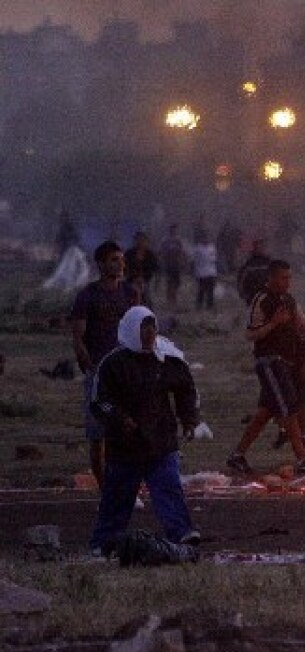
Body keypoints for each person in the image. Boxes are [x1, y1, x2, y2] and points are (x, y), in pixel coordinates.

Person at [88, 306, 201, 554]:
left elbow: (185, 388)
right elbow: (99, 400)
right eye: (144, 329)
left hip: (161, 440)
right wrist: (119, 418)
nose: (150, 334)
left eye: (153, 328)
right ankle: (104, 543)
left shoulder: (165, 358)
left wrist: (189, 418)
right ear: (131, 330)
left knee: (168, 488)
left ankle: (181, 534)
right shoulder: (114, 363)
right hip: (126, 445)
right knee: (117, 497)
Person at [226, 260, 305, 477]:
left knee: (265, 412)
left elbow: (302, 323)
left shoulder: (288, 300)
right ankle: (303, 457)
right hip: (270, 361)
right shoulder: (262, 299)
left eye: (289, 278)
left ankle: (237, 456)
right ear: (271, 278)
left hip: (286, 363)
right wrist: (274, 323)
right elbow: (251, 334)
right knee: (289, 407)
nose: (287, 282)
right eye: (283, 278)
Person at [70, 241, 141, 489]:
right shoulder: (87, 295)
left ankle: (122, 486)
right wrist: (89, 364)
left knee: (124, 431)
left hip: (125, 373)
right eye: (114, 260)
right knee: (98, 435)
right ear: (101, 264)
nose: (120, 264)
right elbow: (78, 336)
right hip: (99, 373)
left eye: (122, 259)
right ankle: (105, 490)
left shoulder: (130, 293)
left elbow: (139, 329)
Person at [124, 231, 159, 306]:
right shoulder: (129, 253)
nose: (140, 242)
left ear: (146, 242)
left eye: (142, 240)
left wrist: (145, 278)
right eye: (138, 240)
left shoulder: (150, 255)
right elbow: (124, 267)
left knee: (146, 297)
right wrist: (132, 277)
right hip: (131, 280)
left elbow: (155, 268)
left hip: (146, 280)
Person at [236, 239, 272, 304]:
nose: (261, 249)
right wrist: (243, 294)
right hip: (252, 297)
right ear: (255, 248)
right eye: (259, 247)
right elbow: (241, 279)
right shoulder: (249, 263)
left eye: (263, 247)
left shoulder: (269, 263)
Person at [190, 230, 218, 311]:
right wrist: (192, 271)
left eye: (207, 238)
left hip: (211, 272)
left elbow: (214, 260)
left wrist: (216, 272)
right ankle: (199, 306)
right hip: (201, 273)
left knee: (210, 291)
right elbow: (192, 261)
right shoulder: (197, 249)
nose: (206, 239)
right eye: (204, 238)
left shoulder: (212, 248)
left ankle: (210, 306)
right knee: (201, 290)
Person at [159, 224, 186, 306]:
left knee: (177, 282)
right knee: (170, 282)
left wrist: (183, 261)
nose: (174, 231)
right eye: (172, 229)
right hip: (168, 264)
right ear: (170, 230)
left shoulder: (178, 240)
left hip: (176, 264)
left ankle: (174, 297)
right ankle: (170, 299)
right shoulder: (165, 240)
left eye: (175, 230)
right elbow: (161, 251)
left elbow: (182, 251)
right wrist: (162, 261)